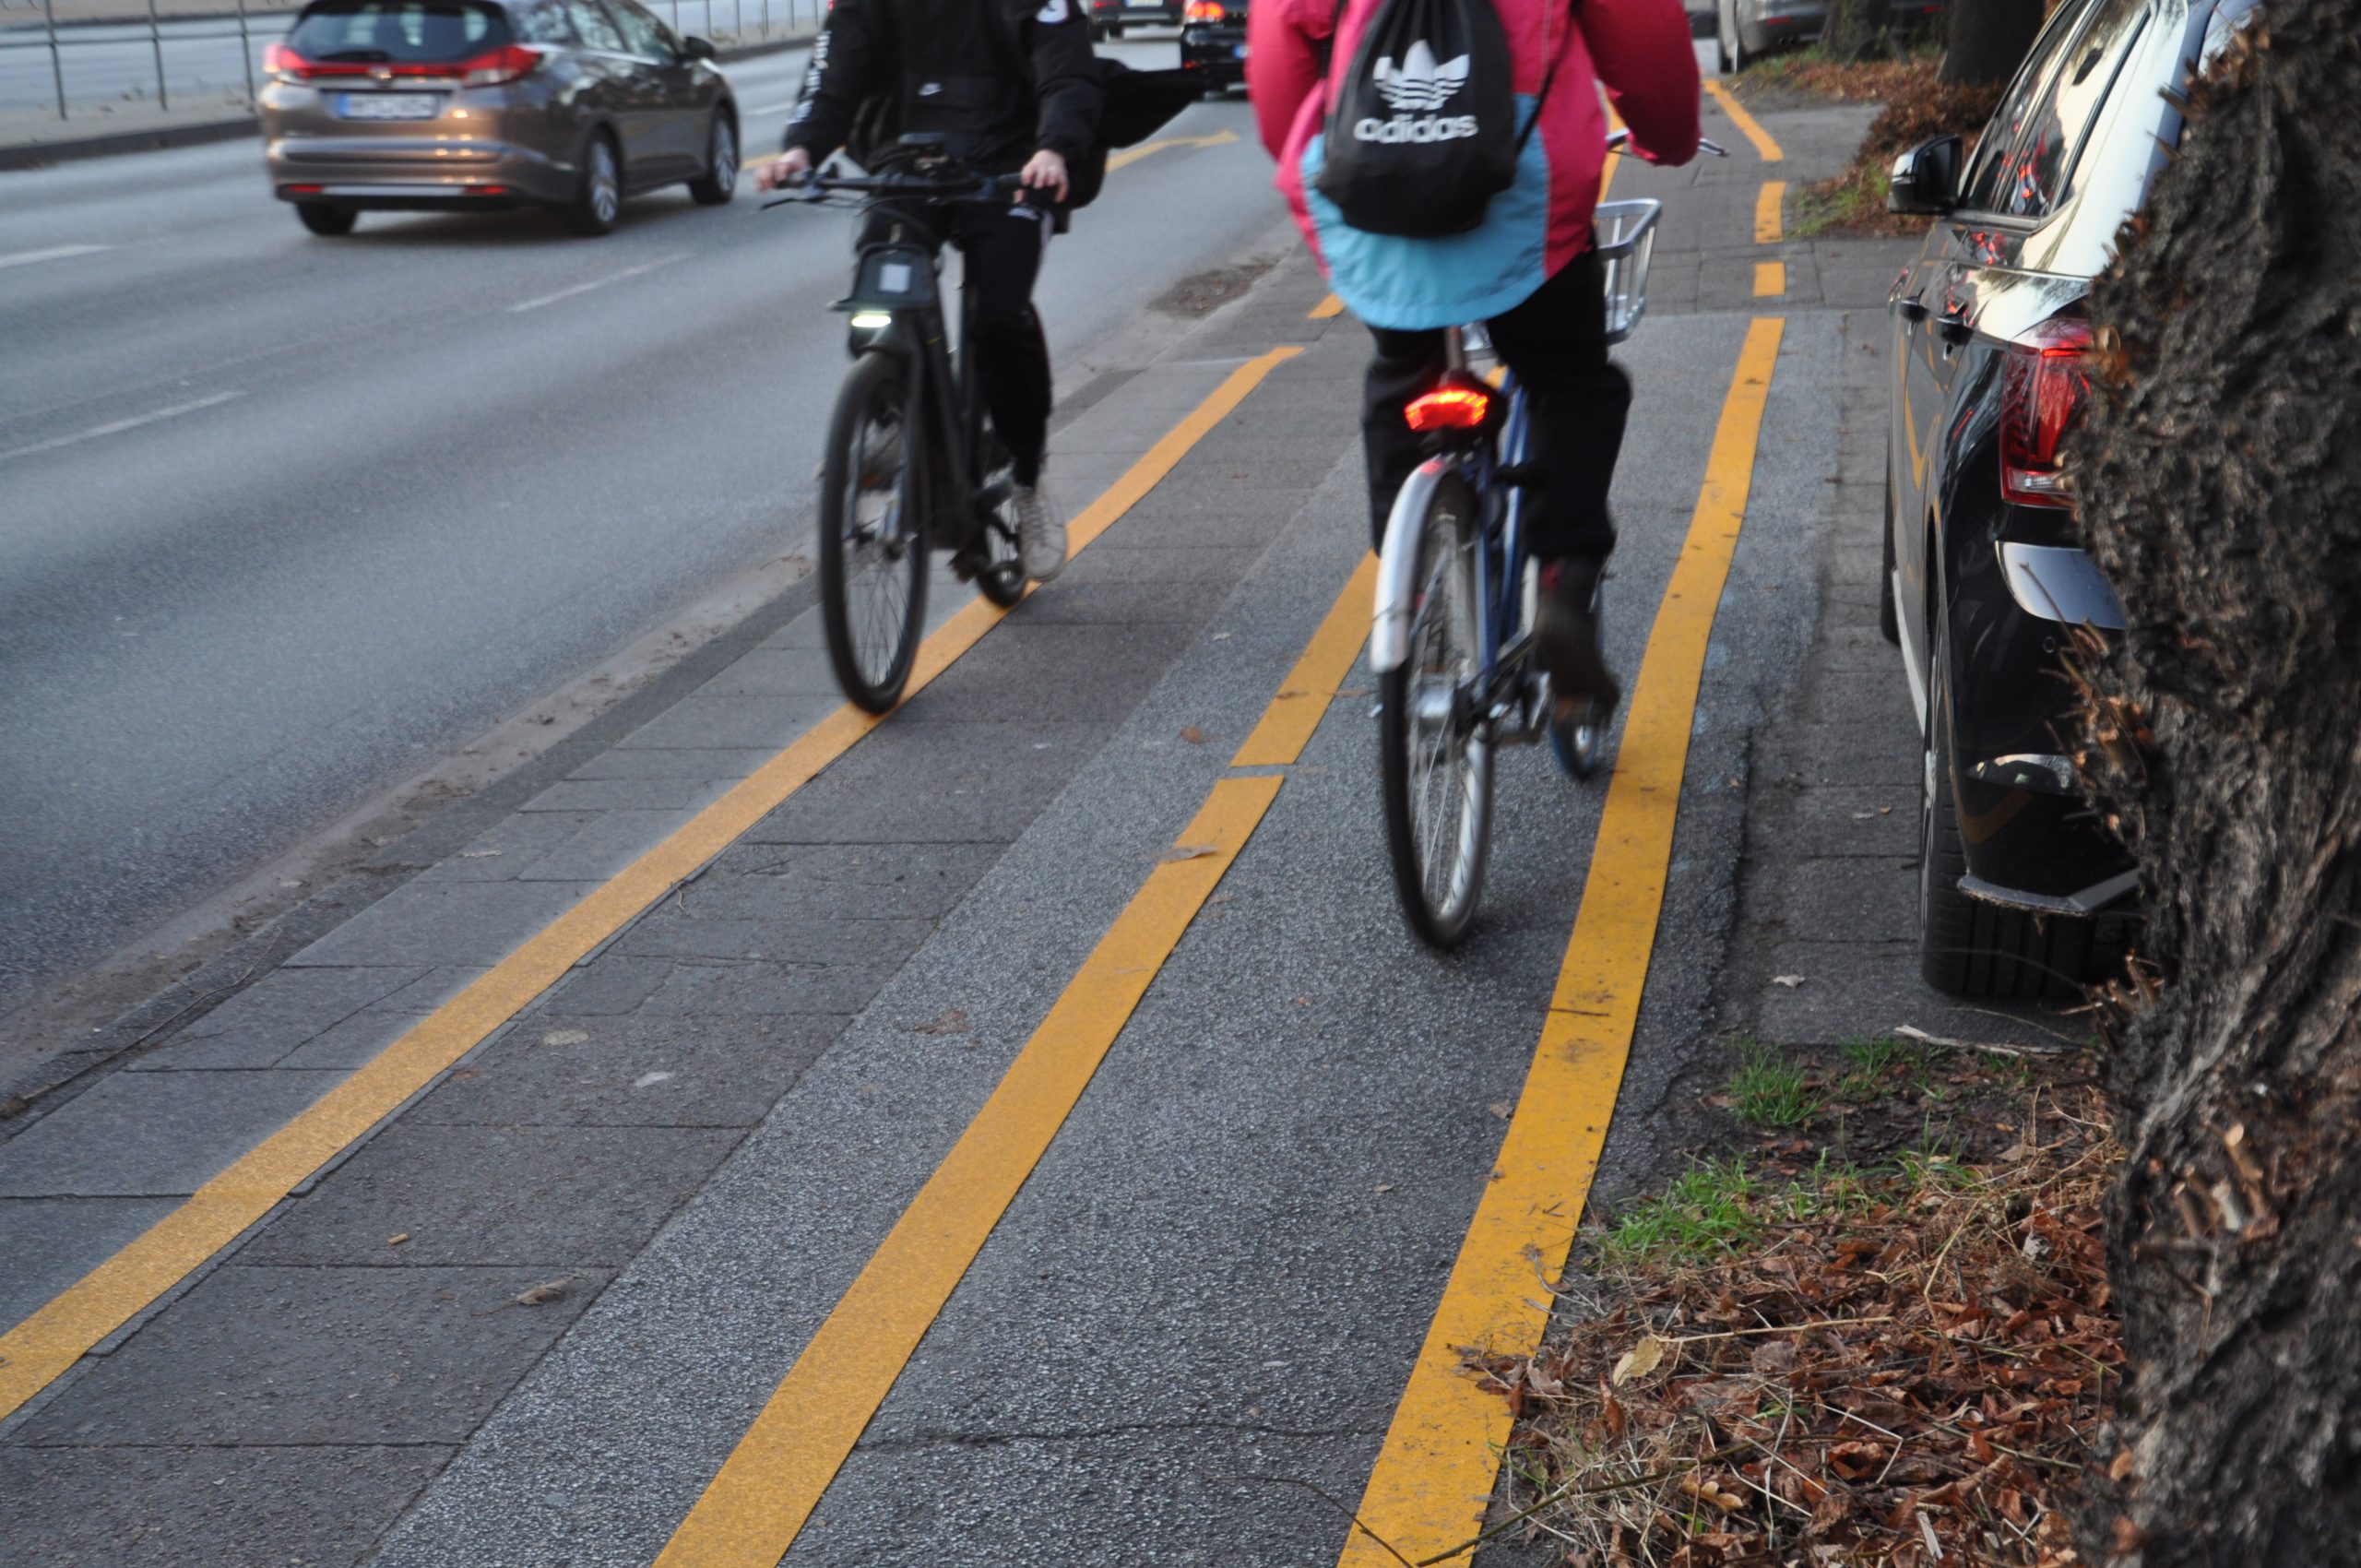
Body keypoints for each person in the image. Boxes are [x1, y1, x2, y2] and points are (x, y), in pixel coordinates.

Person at [1247, 0, 1700, 711]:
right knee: (1569, 378)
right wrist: (1668, 137)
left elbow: (1278, 48)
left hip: (1376, 188)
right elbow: (1643, 34)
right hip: (1524, 193)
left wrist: (1315, 148)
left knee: (1401, 375)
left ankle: (1419, 584)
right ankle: (1562, 580)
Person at [757, 0, 1101, 582]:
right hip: (907, 162)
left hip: (1014, 167)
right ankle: (893, 412)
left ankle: (1025, 474)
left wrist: (1054, 147)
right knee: (878, 290)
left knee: (998, 318)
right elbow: (834, 69)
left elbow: (1067, 73)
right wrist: (803, 146)